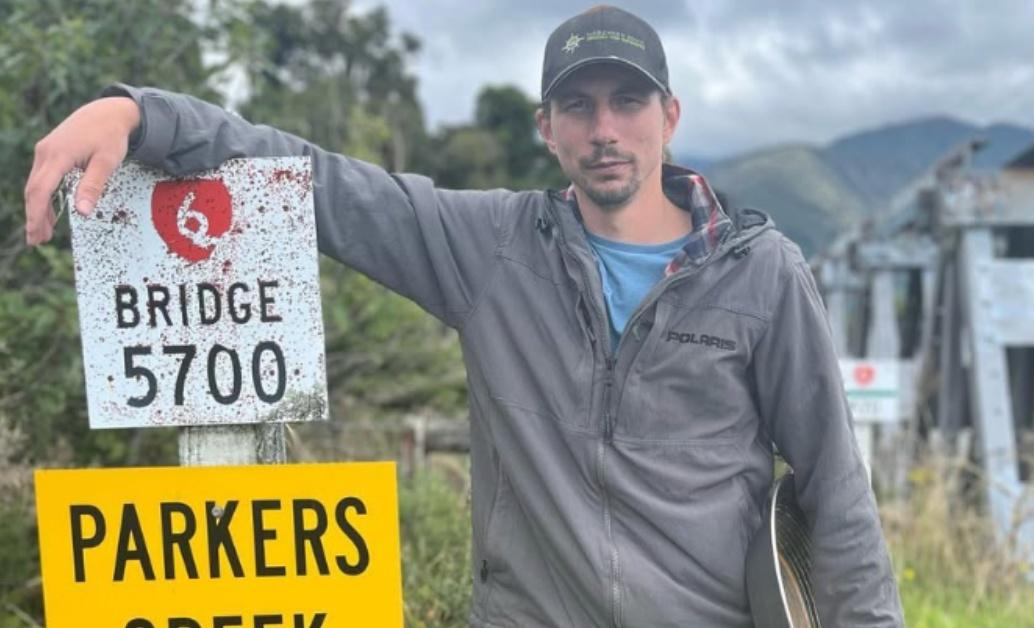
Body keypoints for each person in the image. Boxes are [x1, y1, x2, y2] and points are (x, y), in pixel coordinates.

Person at [25, 5, 902, 626]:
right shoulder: (491, 248)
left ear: (668, 117)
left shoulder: (761, 274)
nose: (606, 128)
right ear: (547, 127)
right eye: (579, 105)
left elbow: (835, 491)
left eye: (628, 102)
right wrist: (143, 114)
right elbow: (325, 184)